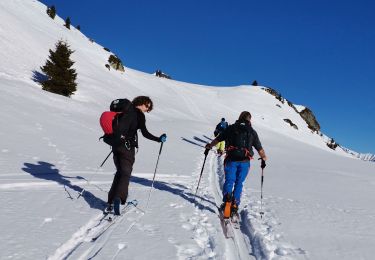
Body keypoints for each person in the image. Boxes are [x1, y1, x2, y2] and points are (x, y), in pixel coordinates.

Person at [105, 96, 167, 215]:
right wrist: (158, 139)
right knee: (126, 173)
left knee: (119, 172)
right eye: (147, 106)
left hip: (115, 144)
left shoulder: (123, 111)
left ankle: (111, 200)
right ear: (142, 103)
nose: (147, 109)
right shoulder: (138, 114)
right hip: (127, 147)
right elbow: (145, 133)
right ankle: (118, 198)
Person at [205, 111, 267, 216]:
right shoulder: (252, 131)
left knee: (229, 180)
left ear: (239, 117)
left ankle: (227, 202)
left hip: (231, 160)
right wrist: (264, 158)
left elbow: (218, 139)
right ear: (249, 119)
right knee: (239, 182)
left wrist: (209, 146)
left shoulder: (231, 128)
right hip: (245, 162)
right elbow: (259, 148)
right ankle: (235, 205)